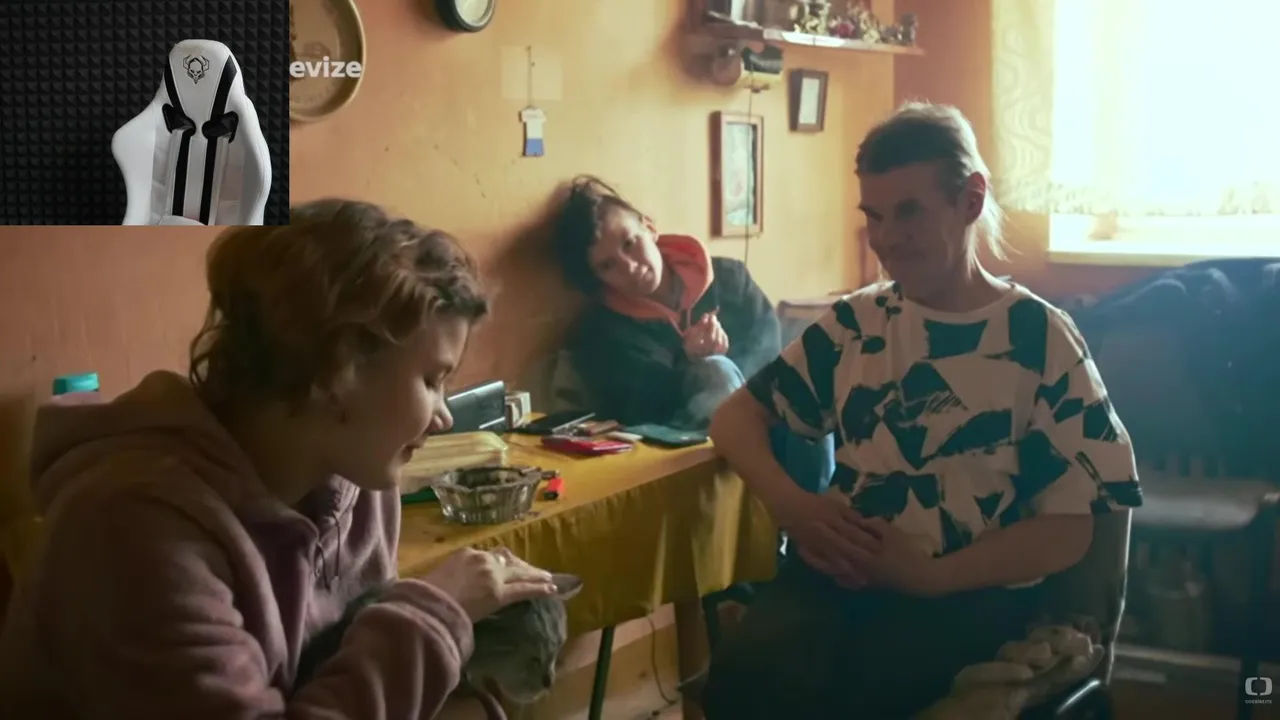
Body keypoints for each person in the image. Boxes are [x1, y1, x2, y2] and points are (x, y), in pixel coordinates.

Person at [0, 200, 559, 719]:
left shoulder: (359, 480)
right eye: (433, 380)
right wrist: (434, 615)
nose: (443, 416)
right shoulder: (130, 531)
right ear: (339, 369)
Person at [701, 103, 1144, 718]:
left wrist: (929, 576)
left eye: (909, 212)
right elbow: (733, 419)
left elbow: (1073, 529)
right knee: (743, 682)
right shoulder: (858, 323)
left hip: (966, 592)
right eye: (874, 216)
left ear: (970, 200)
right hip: (836, 579)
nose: (886, 239)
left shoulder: (1039, 338)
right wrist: (793, 506)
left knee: (866, 694)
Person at [554, 176, 834, 493]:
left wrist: (737, 376)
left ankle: (815, 510)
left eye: (630, 243)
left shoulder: (729, 278)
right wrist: (688, 361)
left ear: (649, 227)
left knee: (806, 381)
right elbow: (638, 408)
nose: (629, 267)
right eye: (608, 265)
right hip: (686, 436)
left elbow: (770, 348)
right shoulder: (603, 329)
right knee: (715, 370)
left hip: (764, 414)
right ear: (597, 278)